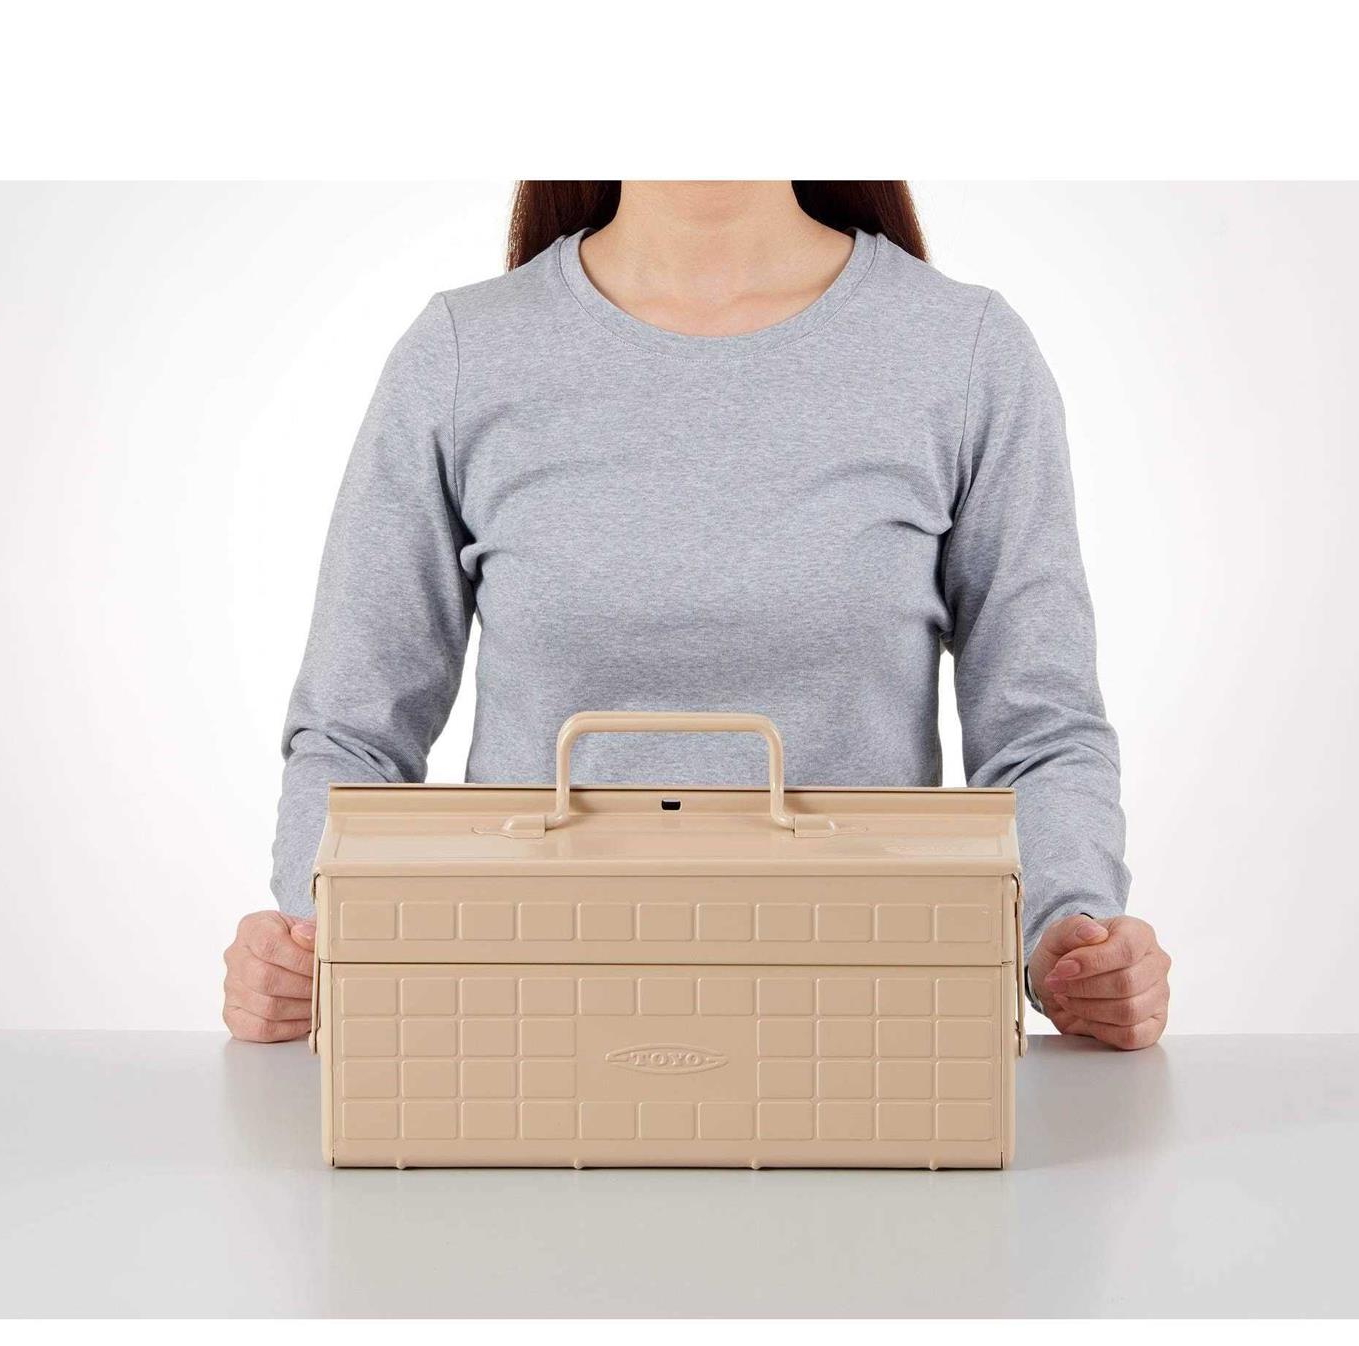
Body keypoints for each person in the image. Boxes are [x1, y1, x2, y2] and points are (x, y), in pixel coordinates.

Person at [222, 180, 1172, 1049]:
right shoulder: (463, 352)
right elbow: (352, 733)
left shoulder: (962, 350)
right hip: (527, 1027)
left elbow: (1040, 726)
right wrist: (313, 935)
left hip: (859, 1026)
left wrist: (1069, 935)